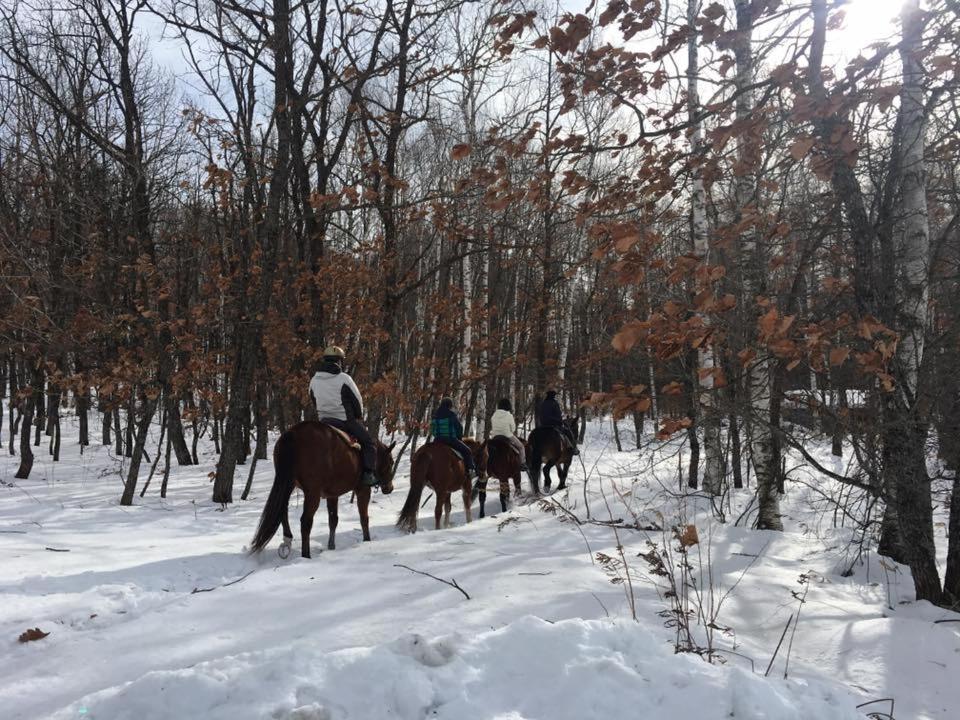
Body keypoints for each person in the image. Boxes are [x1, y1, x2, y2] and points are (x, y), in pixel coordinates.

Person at [308, 346, 380, 487]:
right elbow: (357, 400)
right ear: (340, 361)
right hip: (345, 421)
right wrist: (357, 415)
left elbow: (313, 399)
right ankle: (368, 475)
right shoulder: (344, 378)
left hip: (323, 421)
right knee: (368, 443)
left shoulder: (314, 380)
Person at [430, 397, 477, 479]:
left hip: (437, 440)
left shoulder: (435, 415)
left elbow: (432, 430)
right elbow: (459, 428)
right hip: (450, 440)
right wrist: (458, 438)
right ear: (450, 406)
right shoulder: (451, 415)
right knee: (467, 451)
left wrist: (437, 435)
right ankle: (470, 470)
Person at [536, 389, 579, 455]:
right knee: (568, 433)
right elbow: (558, 415)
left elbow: (541, 415)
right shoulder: (554, 403)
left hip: (543, 425)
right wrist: (560, 421)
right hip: (553, 425)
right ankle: (573, 449)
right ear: (553, 396)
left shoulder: (543, 403)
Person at [489, 398, 528, 471]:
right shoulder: (509, 415)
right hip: (507, 436)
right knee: (521, 447)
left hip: (495, 437)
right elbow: (513, 429)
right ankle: (522, 463)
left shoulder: (494, 415)